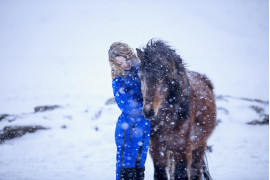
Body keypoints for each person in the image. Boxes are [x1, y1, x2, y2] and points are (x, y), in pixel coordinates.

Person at [108, 42, 151, 180]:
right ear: (115, 64)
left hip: (144, 126)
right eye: (120, 63)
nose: (125, 64)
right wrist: (147, 106)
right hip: (128, 129)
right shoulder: (118, 81)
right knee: (126, 169)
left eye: (126, 59)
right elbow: (127, 106)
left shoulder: (141, 72)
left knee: (139, 167)